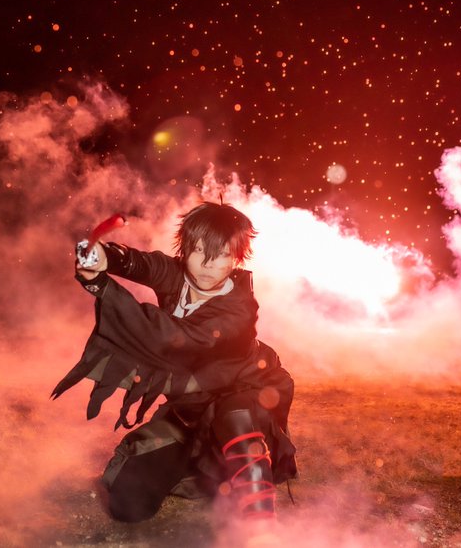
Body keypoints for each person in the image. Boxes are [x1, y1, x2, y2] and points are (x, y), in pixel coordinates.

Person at [51, 202, 297, 525]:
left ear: (237, 258)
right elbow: (140, 263)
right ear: (185, 249)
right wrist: (102, 256)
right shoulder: (177, 275)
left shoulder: (239, 310)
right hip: (190, 407)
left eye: (222, 254)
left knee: (235, 416)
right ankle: (205, 469)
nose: (207, 264)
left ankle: (261, 526)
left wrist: (102, 286)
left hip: (244, 393)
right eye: (199, 250)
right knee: (128, 505)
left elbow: (170, 337)